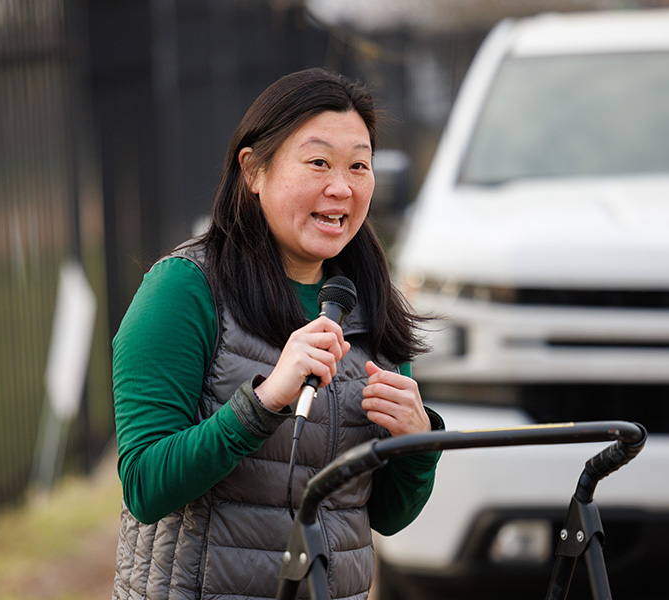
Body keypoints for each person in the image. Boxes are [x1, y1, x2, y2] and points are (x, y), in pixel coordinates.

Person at [111, 67, 444, 600]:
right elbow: (146, 486)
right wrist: (264, 401)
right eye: (318, 163)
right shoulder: (184, 289)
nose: (342, 186)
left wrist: (416, 441)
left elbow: (385, 516)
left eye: (359, 165)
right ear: (254, 170)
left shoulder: (369, 305)